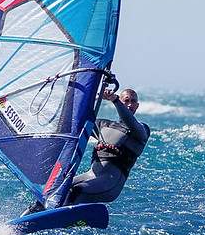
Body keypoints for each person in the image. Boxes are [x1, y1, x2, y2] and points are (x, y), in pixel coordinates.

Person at [21, 88, 150, 216]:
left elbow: (130, 122)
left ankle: (56, 219)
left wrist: (115, 100)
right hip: (90, 175)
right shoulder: (104, 125)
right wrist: (93, 96)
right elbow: (78, 119)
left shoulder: (141, 130)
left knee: (75, 191)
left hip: (110, 183)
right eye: (126, 101)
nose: (129, 104)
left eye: (133, 102)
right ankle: (25, 217)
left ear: (137, 106)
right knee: (52, 189)